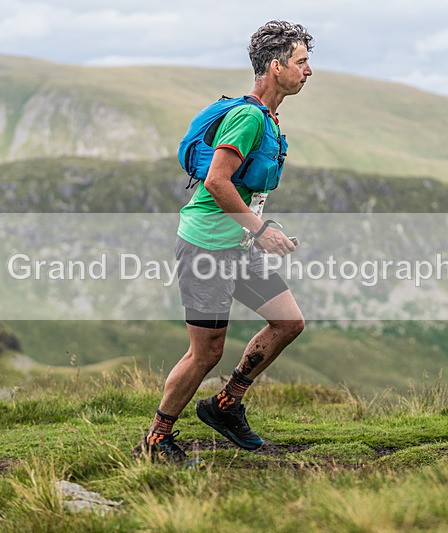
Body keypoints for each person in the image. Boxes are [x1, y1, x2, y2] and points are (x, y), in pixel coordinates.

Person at [134, 20, 313, 464]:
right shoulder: (248, 117)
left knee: (288, 322)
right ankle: (155, 441)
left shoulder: (268, 118)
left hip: (238, 246)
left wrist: (258, 231)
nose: (308, 71)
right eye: (302, 62)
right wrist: (261, 230)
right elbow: (216, 180)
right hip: (206, 247)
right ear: (276, 67)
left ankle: (226, 404)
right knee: (206, 353)